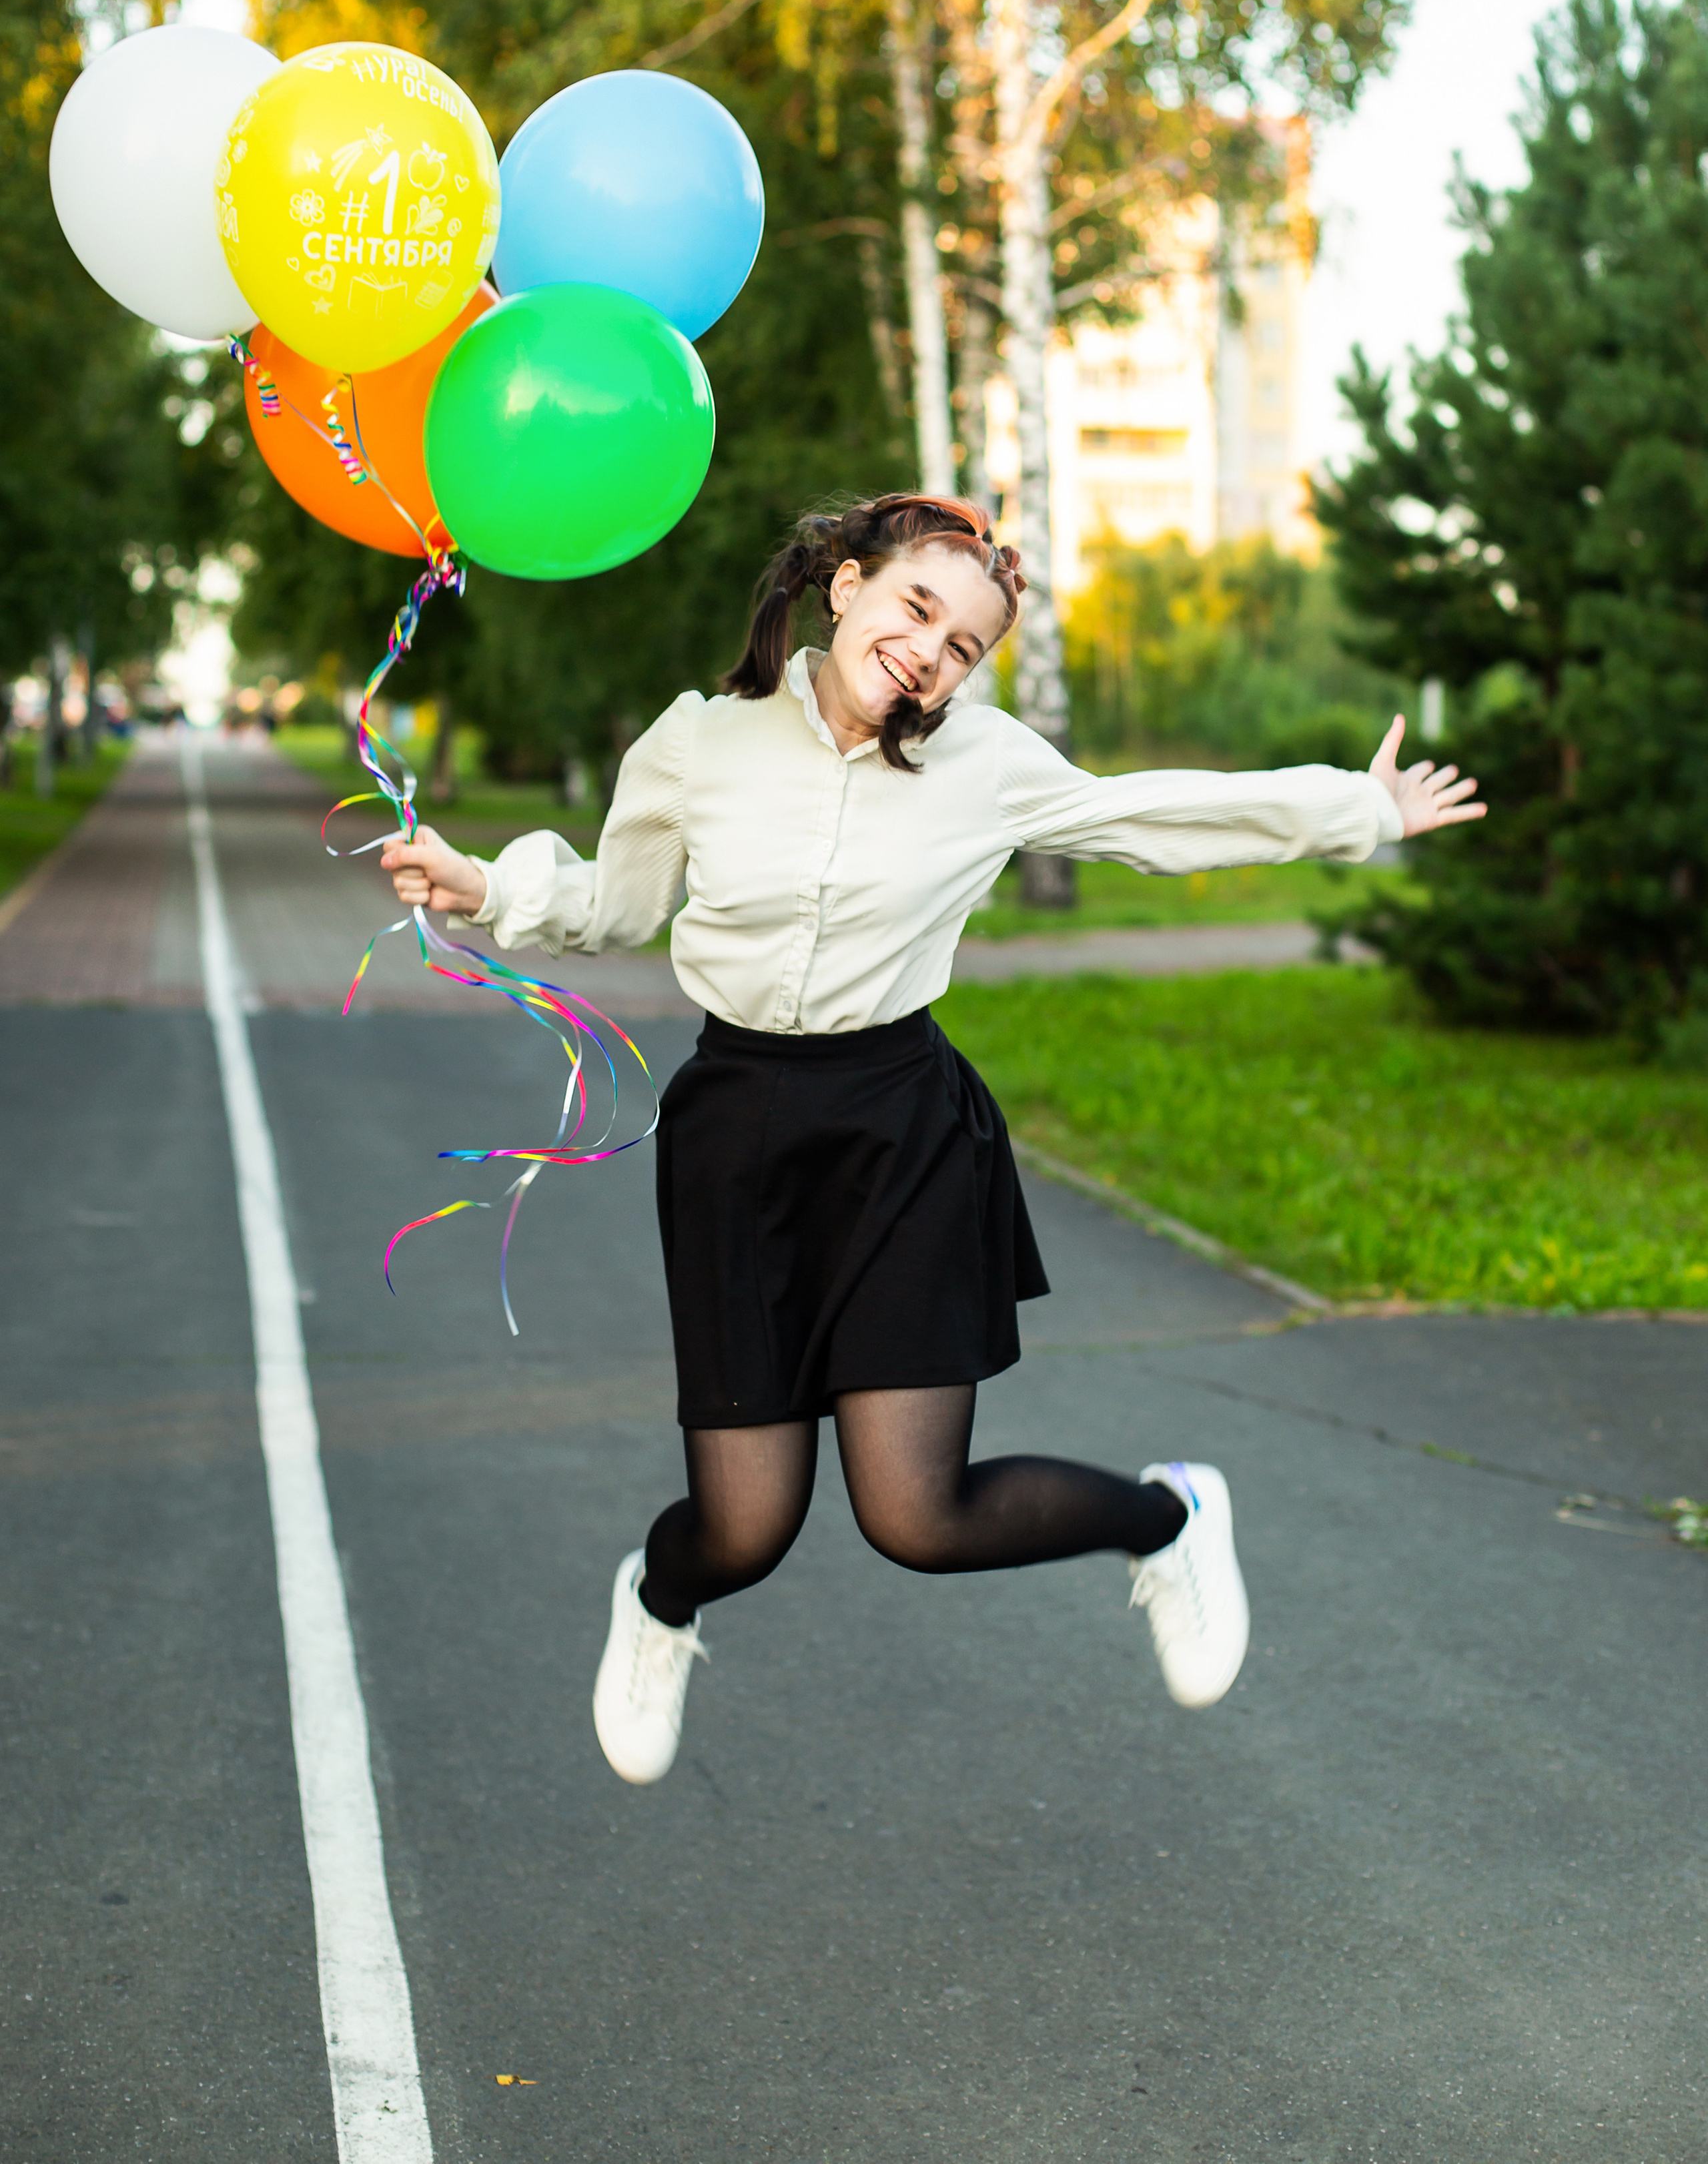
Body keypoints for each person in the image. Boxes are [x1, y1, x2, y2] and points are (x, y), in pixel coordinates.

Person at [382, 493, 1484, 1785]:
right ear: (844, 587)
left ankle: (1168, 1516)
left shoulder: (989, 764)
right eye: (916, 609)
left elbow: (1152, 819)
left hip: (901, 1129)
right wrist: (489, 884)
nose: (929, 654)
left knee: (916, 1515)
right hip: (734, 1136)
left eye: (962, 646)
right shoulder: (698, 743)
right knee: (742, 1530)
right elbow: (614, 903)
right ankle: (656, 1605)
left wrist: (1353, 813)